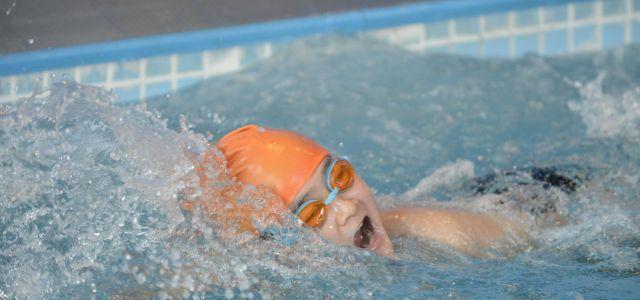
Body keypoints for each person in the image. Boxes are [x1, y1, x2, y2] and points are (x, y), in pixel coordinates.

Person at [210, 124, 533, 258]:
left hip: (524, 195)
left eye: (339, 176)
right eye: (312, 212)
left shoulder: (436, 231)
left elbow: (540, 237)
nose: (346, 208)